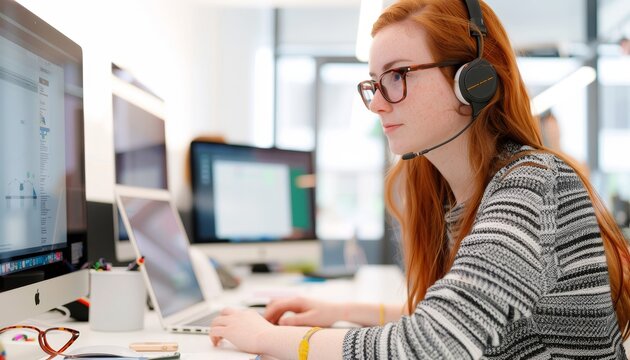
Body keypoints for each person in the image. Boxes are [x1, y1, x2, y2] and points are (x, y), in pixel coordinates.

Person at [209, 0, 630, 358]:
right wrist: (339, 311)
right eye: (374, 83)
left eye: (397, 75)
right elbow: (465, 317)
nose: (376, 103)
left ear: (473, 80)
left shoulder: (533, 184)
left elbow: (434, 345)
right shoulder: (460, 194)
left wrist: (268, 338)